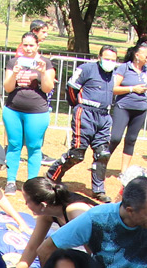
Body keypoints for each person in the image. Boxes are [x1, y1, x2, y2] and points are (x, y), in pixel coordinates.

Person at [47, 48, 118, 199]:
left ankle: (98, 189)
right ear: (99, 57)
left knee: (103, 153)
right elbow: (72, 87)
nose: (110, 62)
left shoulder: (113, 74)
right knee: (77, 153)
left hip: (104, 115)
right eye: (107, 58)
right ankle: (52, 176)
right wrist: (77, 106)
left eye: (113, 60)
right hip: (85, 113)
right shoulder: (87, 68)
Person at [1, 31, 56, 187]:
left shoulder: (46, 63)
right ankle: (11, 181)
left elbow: (47, 88)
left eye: (31, 45)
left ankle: (31, 183)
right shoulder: (14, 62)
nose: (28, 48)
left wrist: (43, 72)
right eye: (25, 45)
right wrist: (14, 74)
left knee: (34, 146)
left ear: (37, 46)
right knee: (14, 145)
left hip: (37, 111)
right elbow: (8, 87)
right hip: (13, 109)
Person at [110, 44, 147, 163]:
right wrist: (132, 89)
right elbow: (113, 89)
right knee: (115, 138)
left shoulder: (146, 70)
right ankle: (102, 162)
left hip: (140, 109)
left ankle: (124, 172)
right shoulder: (124, 68)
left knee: (131, 139)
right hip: (123, 107)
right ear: (137, 55)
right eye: (146, 55)